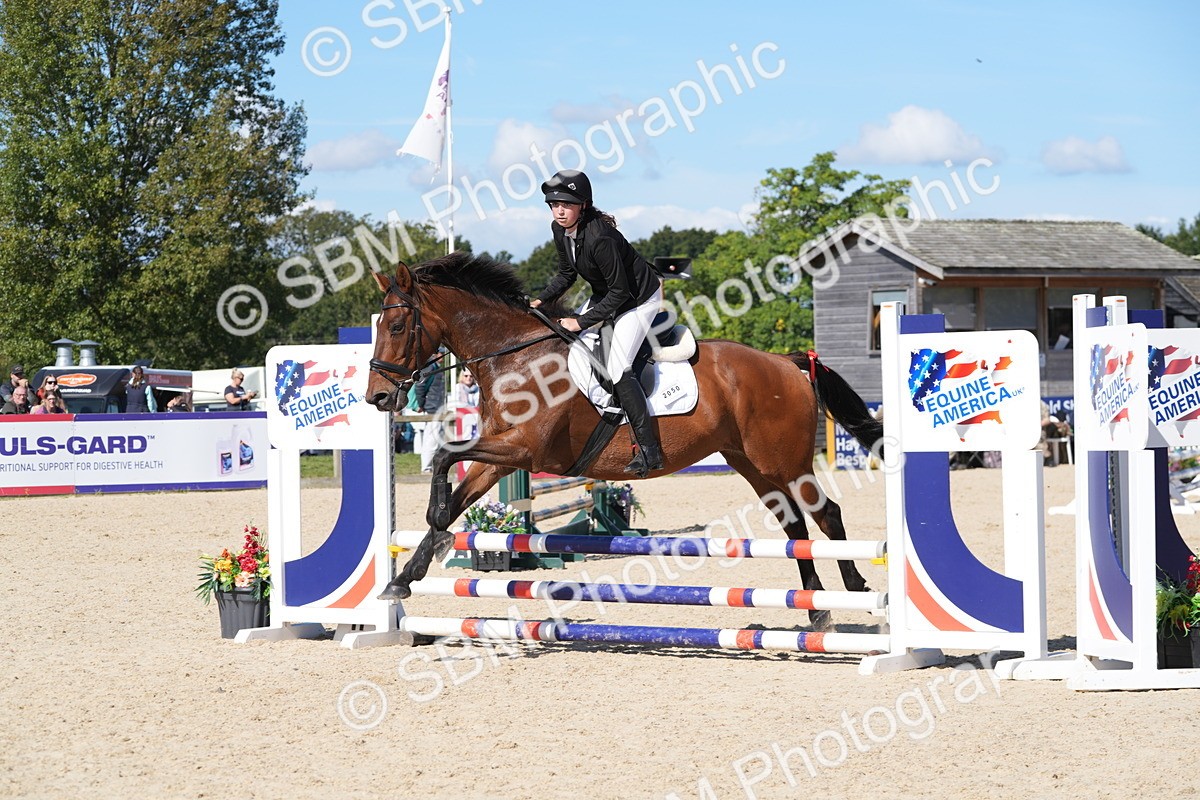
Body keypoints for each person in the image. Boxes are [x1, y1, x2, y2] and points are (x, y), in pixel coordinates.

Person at [530, 169, 664, 476]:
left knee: (618, 368)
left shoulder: (600, 237)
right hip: (609, 294)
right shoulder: (559, 229)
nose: (559, 211)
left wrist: (580, 322)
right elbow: (566, 274)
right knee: (567, 345)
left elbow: (622, 292)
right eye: (553, 204)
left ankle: (649, 450)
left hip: (638, 299)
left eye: (566, 204)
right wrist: (539, 301)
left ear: (583, 206)